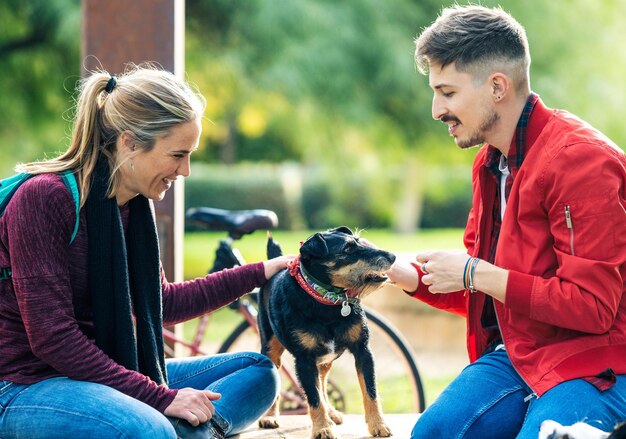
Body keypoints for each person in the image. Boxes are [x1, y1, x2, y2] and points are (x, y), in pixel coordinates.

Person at [0, 64, 293, 439]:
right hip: (24, 384)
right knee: (149, 428)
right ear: (130, 143)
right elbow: (52, 337)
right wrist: (159, 397)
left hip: (105, 368)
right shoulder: (44, 199)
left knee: (258, 371)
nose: (185, 170)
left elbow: (162, 302)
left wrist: (261, 271)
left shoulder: (133, 206)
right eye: (177, 155)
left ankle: (189, 432)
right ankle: (183, 431)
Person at [386, 5, 626, 439]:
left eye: (448, 92)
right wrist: (409, 278)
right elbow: (489, 291)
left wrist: (476, 272)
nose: (436, 109)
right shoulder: (490, 163)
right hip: (519, 356)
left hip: (599, 359)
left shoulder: (581, 161)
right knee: (433, 433)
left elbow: (592, 308)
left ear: (497, 86)